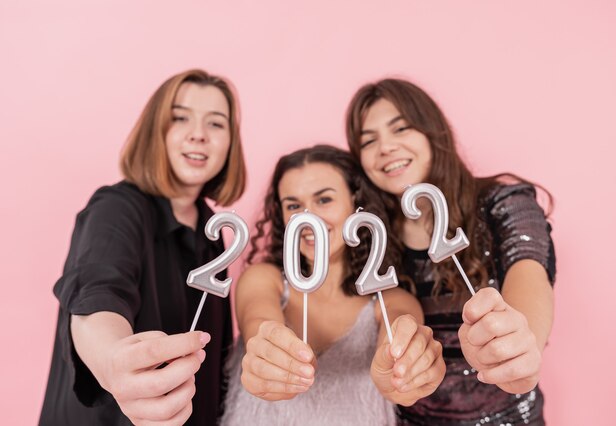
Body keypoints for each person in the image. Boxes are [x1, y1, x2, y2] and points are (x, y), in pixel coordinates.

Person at [40, 69, 246, 426]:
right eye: (180, 118)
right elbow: (97, 295)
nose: (198, 135)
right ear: (155, 131)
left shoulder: (214, 233)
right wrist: (112, 360)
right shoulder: (116, 209)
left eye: (216, 124)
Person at [345, 79, 556, 425]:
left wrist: (522, 342)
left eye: (401, 128)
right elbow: (389, 319)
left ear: (432, 133)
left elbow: (529, 271)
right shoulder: (370, 236)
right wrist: (396, 371)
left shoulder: (503, 204)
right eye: (368, 141)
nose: (385, 147)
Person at [220, 145, 446, 425]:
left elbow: (397, 339)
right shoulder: (264, 279)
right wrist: (265, 356)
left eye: (324, 200)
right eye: (293, 205)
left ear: (356, 203)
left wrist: (402, 370)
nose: (308, 218)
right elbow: (260, 322)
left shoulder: (391, 301)